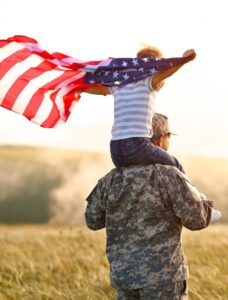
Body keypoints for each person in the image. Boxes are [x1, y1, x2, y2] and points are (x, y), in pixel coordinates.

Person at [85, 113, 220, 300]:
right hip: (164, 281)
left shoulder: (111, 179)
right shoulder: (169, 175)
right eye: (168, 136)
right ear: (159, 139)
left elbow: (92, 220)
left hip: (124, 279)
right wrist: (205, 205)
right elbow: (196, 220)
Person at [84, 46, 196, 173]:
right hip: (137, 146)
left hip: (116, 151)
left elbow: (98, 90)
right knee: (176, 165)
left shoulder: (120, 85)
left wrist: (77, 86)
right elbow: (168, 72)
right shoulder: (148, 82)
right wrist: (184, 60)